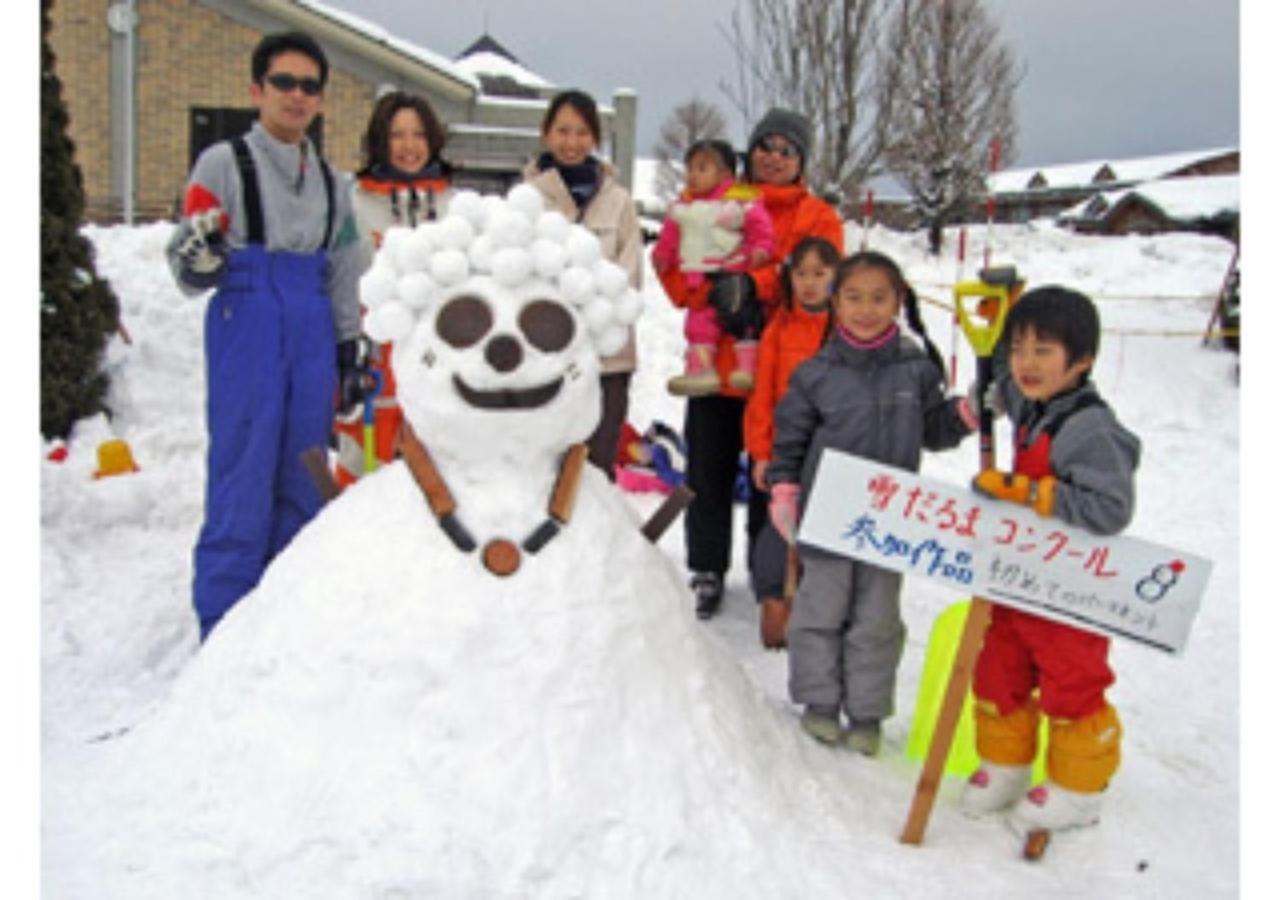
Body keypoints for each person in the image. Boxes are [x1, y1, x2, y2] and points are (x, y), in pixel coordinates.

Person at [166, 31, 365, 640]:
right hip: (247, 318)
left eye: (310, 86)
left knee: (304, 470)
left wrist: (346, 349)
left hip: (310, 322)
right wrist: (199, 258)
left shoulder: (334, 185)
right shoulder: (222, 165)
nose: (297, 96)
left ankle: (284, 628)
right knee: (242, 470)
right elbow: (187, 262)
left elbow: (345, 268)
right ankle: (224, 628)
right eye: (284, 82)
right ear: (257, 90)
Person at [765, 250, 977, 755]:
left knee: (877, 620)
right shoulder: (816, 373)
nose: (866, 310)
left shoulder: (915, 369)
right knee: (821, 610)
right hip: (828, 515)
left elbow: (934, 430)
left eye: (879, 298)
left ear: (898, 301)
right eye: (854, 297)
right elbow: (789, 439)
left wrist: (967, 413)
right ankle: (820, 702)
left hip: (889, 524)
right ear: (835, 303)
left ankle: (866, 712)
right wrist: (784, 488)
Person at [959, 286, 1140, 834]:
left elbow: (1111, 508)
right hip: (1019, 575)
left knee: (1070, 680)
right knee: (999, 669)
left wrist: (1027, 493)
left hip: (1068, 585)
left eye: (1043, 352)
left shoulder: (1089, 428)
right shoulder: (1032, 400)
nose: (1026, 365)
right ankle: (1007, 764)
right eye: (1018, 349)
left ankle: (1078, 787)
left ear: (1082, 362)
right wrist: (990, 368)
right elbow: (1001, 393)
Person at [655, 106, 843, 619]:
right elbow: (678, 260)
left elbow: (818, 279)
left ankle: (771, 582)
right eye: (766, 146)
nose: (774, 157)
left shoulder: (817, 216)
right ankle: (707, 568)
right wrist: (693, 289)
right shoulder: (716, 199)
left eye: (787, 150)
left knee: (774, 480)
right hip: (717, 367)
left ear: (801, 161)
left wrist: (754, 284)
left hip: (785, 373)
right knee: (706, 471)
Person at [335, 91, 454, 486]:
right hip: (376, 359)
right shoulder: (352, 204)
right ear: (380, 141)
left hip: (439, 356)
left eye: (418, 134)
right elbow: (339, 278)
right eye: (397, 135)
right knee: (367, 466)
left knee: (437, 466)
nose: (409, 146)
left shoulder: (453, 204)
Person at [523, 89, 643, 478]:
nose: (571, 142)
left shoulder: (619, 201)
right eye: (562, 131)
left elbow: (630, 274)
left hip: (607, 359)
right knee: (544, 466)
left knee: (596, 466)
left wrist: (596, 316)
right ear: (546, 134)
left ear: (596, 138)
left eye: (581, 132)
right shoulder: (527, 199)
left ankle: (596, 539)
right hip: (545, 356)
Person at [742, 236, 839, 649]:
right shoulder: (779, 328)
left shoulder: (846, 329)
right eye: (801, 274)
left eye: (820, 273)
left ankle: (820, 602)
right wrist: (761, 452)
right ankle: (774, 598)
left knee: (827, 526)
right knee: (778, 526)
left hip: (834, 448)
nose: (810, 283)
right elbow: (762, 393)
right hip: (786, 447)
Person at [651, 139, 773, 395]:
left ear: (725, 174)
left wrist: (760, 248)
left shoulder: (737, 200)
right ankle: (700, 371)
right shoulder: (684, 206)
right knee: (699, 325)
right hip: (698, 276)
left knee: (743, 319)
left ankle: (748, 369)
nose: (693, 176)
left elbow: (759, 225)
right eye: (690, 169)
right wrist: (662, 255)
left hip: (733, 269)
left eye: (702, 168)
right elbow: (670, 235)